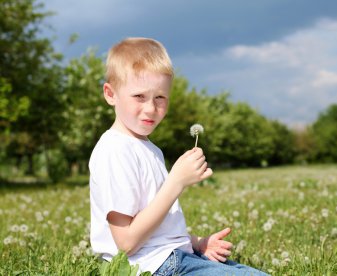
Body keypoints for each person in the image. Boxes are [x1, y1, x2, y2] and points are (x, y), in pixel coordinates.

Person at [89, 37, 268, 275]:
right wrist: (176, 182)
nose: (151, 108)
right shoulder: (114, 150)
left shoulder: (148, 148)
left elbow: (158, 227)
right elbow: (127, 243)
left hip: (172, 258)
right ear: (111, 94)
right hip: (148, 268)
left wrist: (197, 242)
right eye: (139, 96)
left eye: (160, 98)